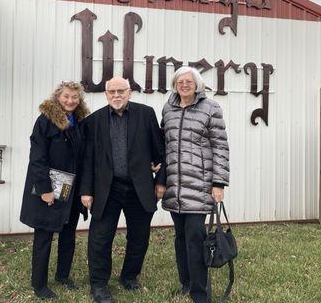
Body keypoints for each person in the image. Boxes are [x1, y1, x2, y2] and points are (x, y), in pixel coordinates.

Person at [80, 76, 166, 303]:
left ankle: (129, 277)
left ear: (129, 92)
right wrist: (86, 191)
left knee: (139, 237)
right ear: (106, 94)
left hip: (140, 187)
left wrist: (160, 182)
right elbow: (88, 160)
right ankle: (98, 285)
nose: (116, 95)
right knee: (100, 238)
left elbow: (161, 152)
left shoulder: (146, 114)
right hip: (106, 189)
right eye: (112, 92)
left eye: (121, 91)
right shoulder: (94, 120)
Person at [161, 66, 230, 303]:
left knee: (195, 238)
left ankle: (200, 293)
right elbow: (164, 143)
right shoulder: (168, 108)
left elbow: (220, 147)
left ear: (197, 84)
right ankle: (186, 282)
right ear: (175, 84)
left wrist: (219, 182)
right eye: (180, 81)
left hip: (200, 185)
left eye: (189, 81)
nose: (184, 85)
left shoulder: (211, 108)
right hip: (175, 186)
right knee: (180, 237)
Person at [20, 81, 90, 299]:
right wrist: (44, 189)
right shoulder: (45, 121)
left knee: (68, 233)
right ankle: (39, 284)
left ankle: (63, 275)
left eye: (74, 98)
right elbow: (37, 158)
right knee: (44, 236)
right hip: (51, 185)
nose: (70, 101)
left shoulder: (79, 121)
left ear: (79, 100)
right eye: (66, 96)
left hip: (71, 186)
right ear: (58, 97)